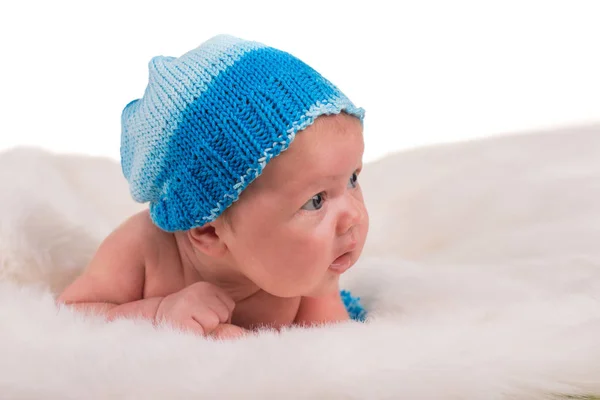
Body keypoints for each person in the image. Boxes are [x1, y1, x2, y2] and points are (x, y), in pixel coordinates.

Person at [57, 34, 369, 339]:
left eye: (352, 179)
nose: (353, 215)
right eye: (316, 200)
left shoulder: (310, 276)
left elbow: (331, 355)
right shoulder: (139, 250)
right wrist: (158, 314)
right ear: (209, 230)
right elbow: (71, 315)